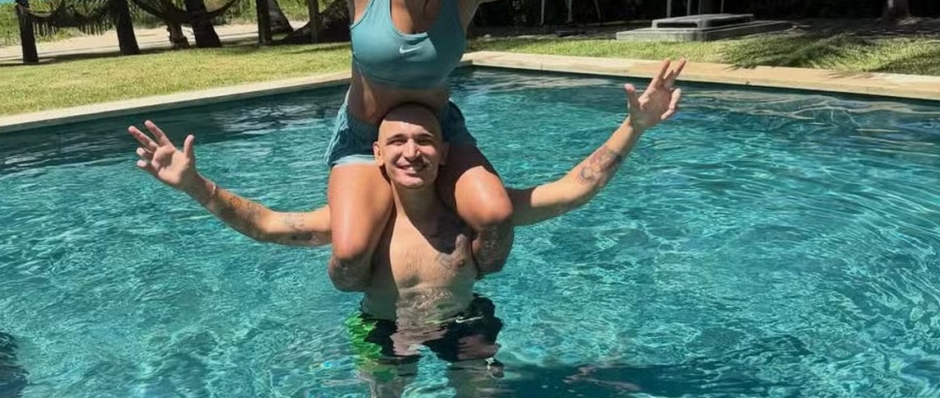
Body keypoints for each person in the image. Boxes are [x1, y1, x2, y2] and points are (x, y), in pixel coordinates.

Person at [126, 0, 674, 293]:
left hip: (439, 135)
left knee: (495, 219)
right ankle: (382, 321)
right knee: (348, 256)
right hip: (365, 140)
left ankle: (459, 303)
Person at [128, 60, 684, 395]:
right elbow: (271, 226)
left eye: (423, 141)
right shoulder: (362, 225)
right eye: (396, 142)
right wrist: (194, 185)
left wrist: (633, 127)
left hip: (464, 321)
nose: (411, 152)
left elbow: (571, 190)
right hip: (381, 327)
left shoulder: (468, 218)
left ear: (444, 153)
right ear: (377, 154)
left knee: (486, 394)